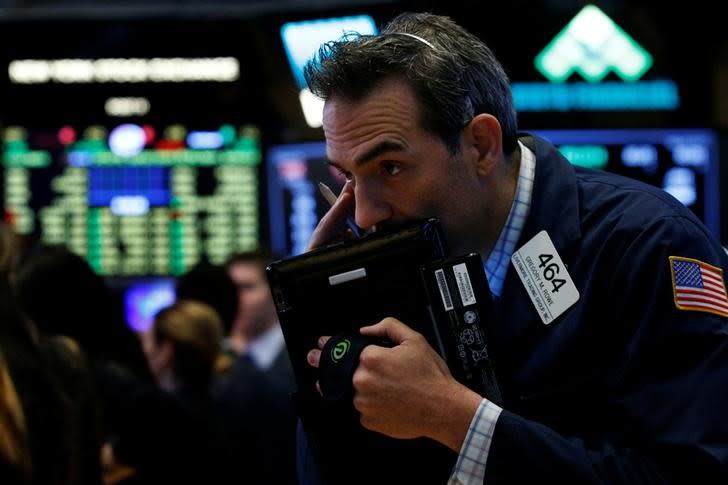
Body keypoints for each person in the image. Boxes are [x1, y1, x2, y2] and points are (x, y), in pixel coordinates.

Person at [302, 11, 728, 483]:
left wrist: (460, 422)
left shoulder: (647, 245)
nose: (363, 215)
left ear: (481, 145)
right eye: (346, 175)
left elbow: (691, 474)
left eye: (390, 168)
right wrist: (321, 312)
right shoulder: (398, 266)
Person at [225, 248, 294, 390]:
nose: (235, 298)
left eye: (247, 287)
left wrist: (243, 357)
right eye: (230, 289)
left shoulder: (300, 353)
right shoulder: (216, 352)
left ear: (276, 291)